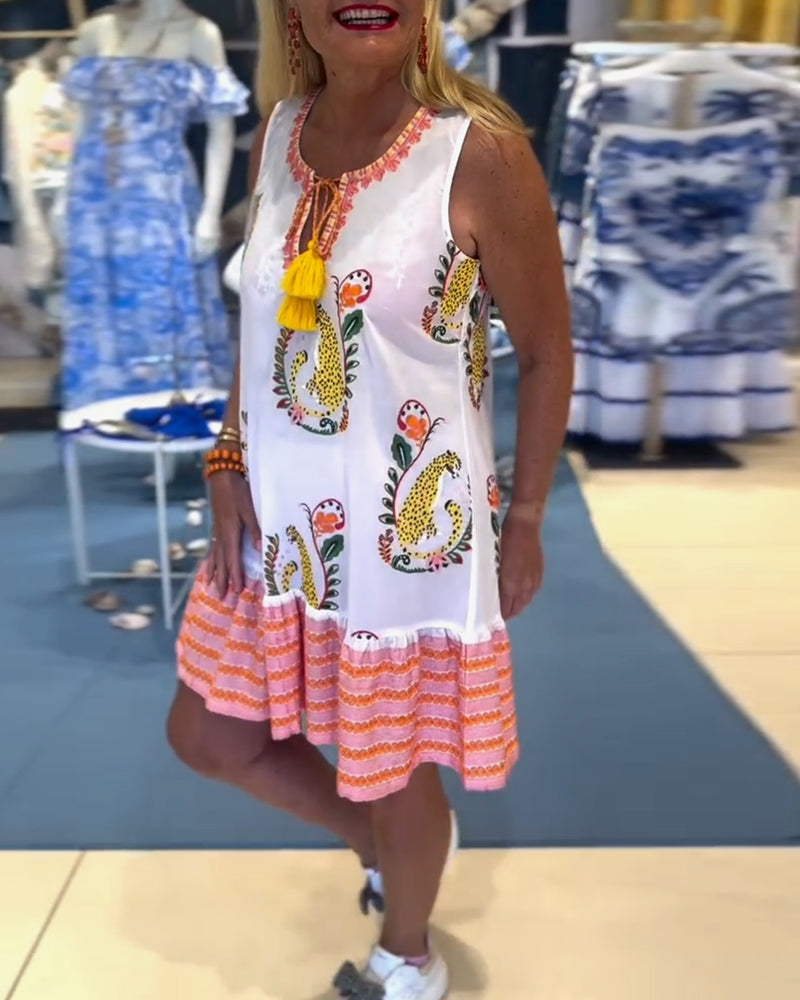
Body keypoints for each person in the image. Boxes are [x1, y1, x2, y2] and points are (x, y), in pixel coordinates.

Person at [167, 1, 573, 997]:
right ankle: (381, 843)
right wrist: (228, 453)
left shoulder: (477, 152)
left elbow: (548, 349)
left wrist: (524, 517)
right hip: (280, 523)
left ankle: (408, 954)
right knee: (208, 734)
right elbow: (263, 321)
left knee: (391, 760)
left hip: (406, 537)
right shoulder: (278, 134)